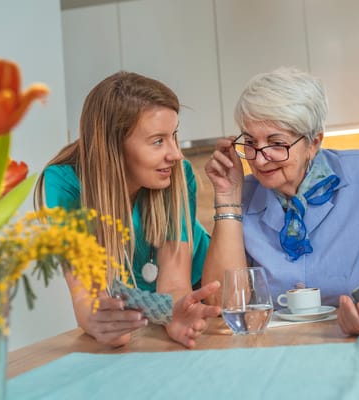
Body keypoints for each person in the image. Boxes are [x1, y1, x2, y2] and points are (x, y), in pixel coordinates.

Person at [202, 67, 359, 336]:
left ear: (314, 142)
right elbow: (222, 304)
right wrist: (228, 199)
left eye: (277, 143)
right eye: (250, 142)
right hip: (275, 349)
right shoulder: (243, 193)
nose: (259, 159)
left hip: (358, 341)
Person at [34, 71, 220, 348]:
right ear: (114, 145)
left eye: (174, 136)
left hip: (193, 299)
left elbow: (173, 284)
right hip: (141, 309)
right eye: (158, 140)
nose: (176, 153)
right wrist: (100, 322)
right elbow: (85, 294)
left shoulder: (179, 175)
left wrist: (173, 313)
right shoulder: (65, 183)